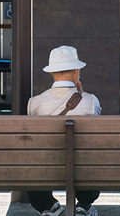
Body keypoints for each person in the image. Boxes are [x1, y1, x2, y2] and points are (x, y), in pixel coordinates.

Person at [26, 46, 101, 216]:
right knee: (91, 155)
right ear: (76, 72)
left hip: (46, 171)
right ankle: (83, 205)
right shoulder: (91, 101)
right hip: (82, 171)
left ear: (52, 73)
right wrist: (81, 94)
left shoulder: (35, 103)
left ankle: (48, 207)